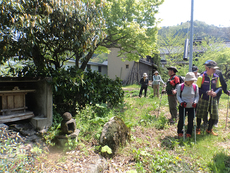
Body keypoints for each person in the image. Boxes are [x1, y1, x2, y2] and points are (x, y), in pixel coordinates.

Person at [196, 60, 222, 136]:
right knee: (200, 114)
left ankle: (209, 129)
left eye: (215, 69)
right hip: (203, 98)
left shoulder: (216, 77)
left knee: (214, 114)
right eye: (213, 68)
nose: (215, 70)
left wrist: (215, 93)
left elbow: (219, 87)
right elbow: (197, 88)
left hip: (213, 99)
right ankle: (198, 128)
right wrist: (206, 92)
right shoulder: (201, 77)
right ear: (208, 68)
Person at [203, 60, 230, 127]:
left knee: (214, 107)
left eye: (206, 65)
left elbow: (222, 83)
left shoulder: (218, 73)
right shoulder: (203, 74)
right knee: (206, 108)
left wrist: (225, 91)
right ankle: (205, 121)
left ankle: (214, 122)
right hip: (207, 93)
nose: (205, 66)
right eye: (205, 65)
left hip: (216, 93)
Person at [176, 72, 199, 138]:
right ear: (186, 80)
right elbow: (178, 96)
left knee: (191, 120)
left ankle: (189, 132)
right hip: (183, 105)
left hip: (192, 106)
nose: (192, 81)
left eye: (193, 80)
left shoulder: (195, 86)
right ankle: (180, 132)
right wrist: (181, 102)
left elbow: (197, 96)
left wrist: (195, 102)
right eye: (191, 80)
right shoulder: (180, 86)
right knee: (181, 119)